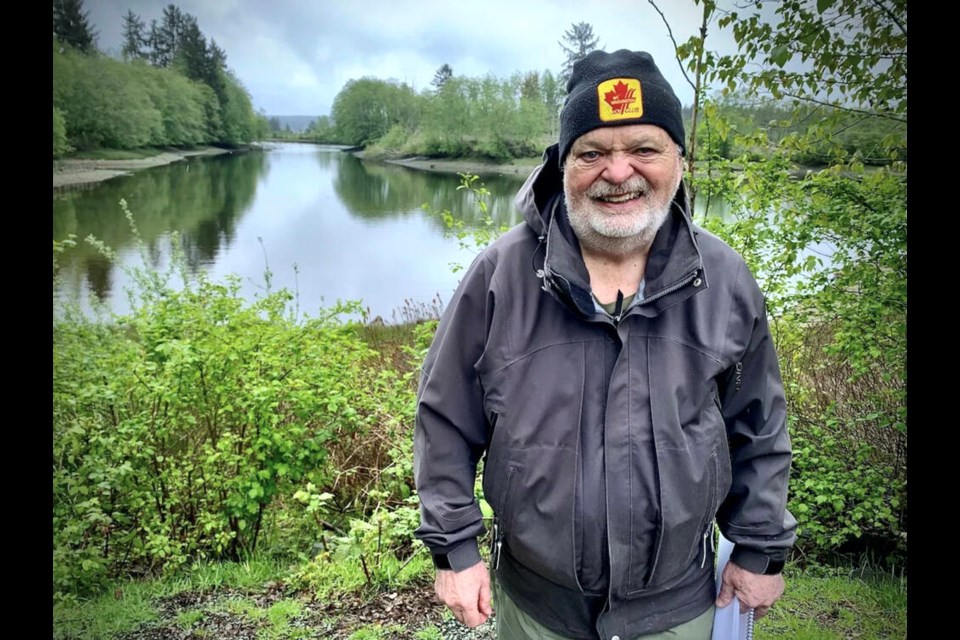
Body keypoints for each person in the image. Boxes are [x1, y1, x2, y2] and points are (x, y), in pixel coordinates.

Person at [413, 49, 796, 640]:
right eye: (592, 153)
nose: (619, 173)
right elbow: (444, 421)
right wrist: (454, 552)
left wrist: (760, 545)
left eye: (644, 148)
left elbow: (759, 424)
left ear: (679, 159)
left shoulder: (723, 278)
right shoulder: (501, 275)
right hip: (538, 607)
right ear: (562, 165)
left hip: (679, 604)